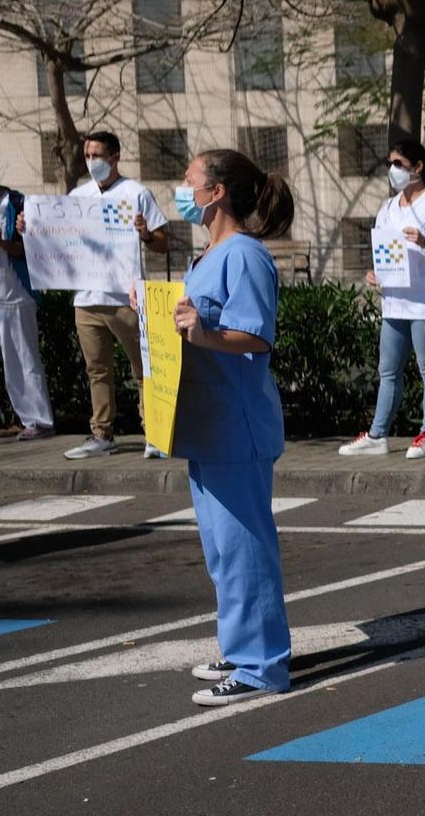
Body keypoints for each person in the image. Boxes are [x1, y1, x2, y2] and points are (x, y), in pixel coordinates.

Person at [162, 147, 296, 705]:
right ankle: (242, 645)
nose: (182, 189)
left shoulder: (244, 255)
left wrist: (202, 333)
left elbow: (256, 336)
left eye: (190, 180)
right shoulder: (209, 255)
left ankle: (261, 666)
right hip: (207, 423)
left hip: (235, 425)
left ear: (216, 192)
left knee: (244, 548)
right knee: (223, 550)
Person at [39, 132, 170, 459]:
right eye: (87, 155)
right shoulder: (78, 195)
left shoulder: (136, 193)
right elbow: (59, 239)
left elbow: (162, 242)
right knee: (96, 370)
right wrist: (32, 228)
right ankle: (102, 434)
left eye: (97, 155)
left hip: (126, 299)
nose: (91, 161)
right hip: (86, 300)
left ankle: (154, 433)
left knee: (142, 369)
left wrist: (144, 234)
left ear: (115, 157)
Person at [338, 138, 425, 460]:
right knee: (388, 370)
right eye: (390, 164)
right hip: (395, 301)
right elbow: (385, 253)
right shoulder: (388, 209)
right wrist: (375, 274)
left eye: (399, 164)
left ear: (417, 167)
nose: (393, 170)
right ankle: (378, 435)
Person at [0, 148, 55, 440]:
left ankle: (37, 420)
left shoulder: (15, 203)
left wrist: (1, 240)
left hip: (12, 295)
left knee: (21, 360)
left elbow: (27, 251)